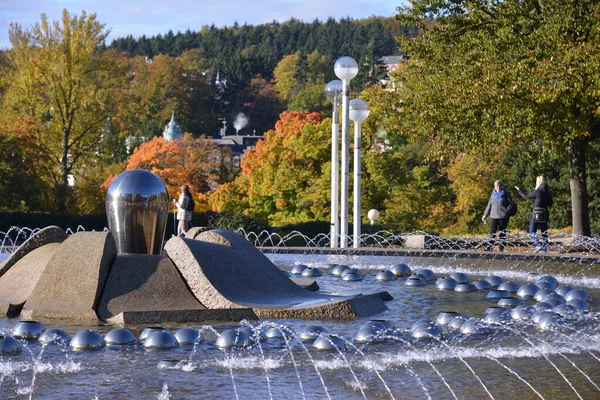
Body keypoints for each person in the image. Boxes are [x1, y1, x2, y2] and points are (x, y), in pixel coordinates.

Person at [515, 175, 553, 252]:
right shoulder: (547, 192)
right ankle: (544, 248)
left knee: (532, 232)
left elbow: (526, 196)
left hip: (536, 213)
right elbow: (550, 203)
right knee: (544, 232)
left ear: (538, 182)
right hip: (544, 213)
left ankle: (537, 244)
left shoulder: (537, 191)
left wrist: (519, 190)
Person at [482, 180, 515, 252]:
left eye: (499, 186)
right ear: (494, 186)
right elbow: (489, 205)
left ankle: (501, 248)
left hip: (503, 216)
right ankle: (490, 247)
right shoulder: (493, 194)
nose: (498, 187)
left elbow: (511, 203)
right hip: (493, 215)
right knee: (492, 232)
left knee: (502, 232)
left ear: (501, 186)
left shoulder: (506, 193)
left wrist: (506, 211)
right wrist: (485, 215)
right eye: (497, 186)